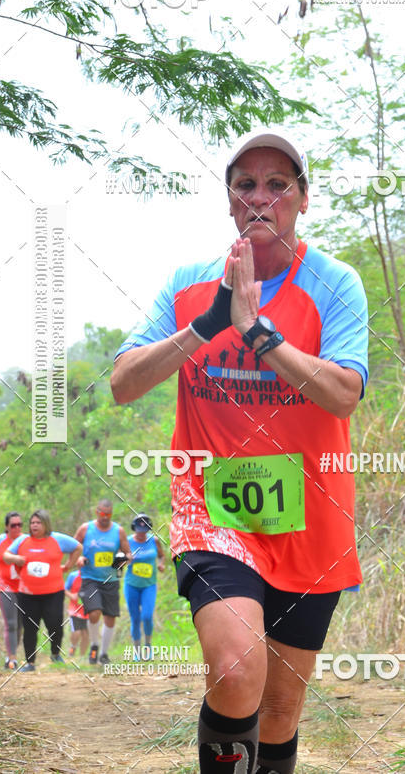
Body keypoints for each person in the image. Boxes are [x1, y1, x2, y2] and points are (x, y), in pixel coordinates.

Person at [111, 129, 369, 774]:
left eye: (277, 184)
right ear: (229, 201)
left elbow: (343, 394)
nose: (261, 197)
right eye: (245, 184)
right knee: (234, 671)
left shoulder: (335, 284)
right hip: (214, 510)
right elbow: (123, 383)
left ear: (303, 199)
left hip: (312, 514)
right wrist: (209, 323)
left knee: (280, 709)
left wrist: (257, 334)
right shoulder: (189, 284)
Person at [3, 509, 82, 671]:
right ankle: (30, 662)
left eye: (38, 523)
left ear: (46, 524)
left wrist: (68, 565)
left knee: (55, 624)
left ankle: (55, 654)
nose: (34, 526)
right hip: (28, 594)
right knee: (30, 627)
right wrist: (15, 558)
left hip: (53, 593)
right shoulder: (23, 540)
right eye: (32, 523)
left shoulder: (57, 539)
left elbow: (78, 547)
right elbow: (6, 555)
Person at [74, 499, 132, 665]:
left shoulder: (118, 531)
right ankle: (94, 645)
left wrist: (123, 559)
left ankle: (104, 654)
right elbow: (74, 547)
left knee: (110, 618)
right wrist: (79, 557)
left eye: (108, 514)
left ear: (111, 514)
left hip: (111, 579)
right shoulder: (86, 529)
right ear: (96, 512)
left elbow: (129, 554)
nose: (104, 517)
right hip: (90, 578)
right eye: (102, 513)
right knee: (94, 612)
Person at [0, 510, 24, 669]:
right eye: (13, 525)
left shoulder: (26, 540)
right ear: (6, 527)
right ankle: (12, 659)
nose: (17, 528)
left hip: (23, 587)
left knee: (21, 624)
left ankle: (14, 654)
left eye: (20, 525)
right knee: (11, 623)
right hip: (4, 586)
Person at [124, 513, 165, 651]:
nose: (142, 534)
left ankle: (147, 646)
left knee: (147, 616)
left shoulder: (154, 541)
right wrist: (126, 559)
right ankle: (137, 650)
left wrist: (161, 564)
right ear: (134, 528)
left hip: (149, 586)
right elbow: (118, 562)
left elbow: (161, 556)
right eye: (139, 530)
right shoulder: (127, 542)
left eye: (145, 530)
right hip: (131, 585)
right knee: (135, 618)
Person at [64, 569, 89, 658]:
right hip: (74, 609)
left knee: (85, 634)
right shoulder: (73, 575)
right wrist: (71, 596)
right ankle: (72, 649)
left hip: (88, 609)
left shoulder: (93, 575)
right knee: (77, 632)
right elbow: (64, 588)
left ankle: (82, 657)